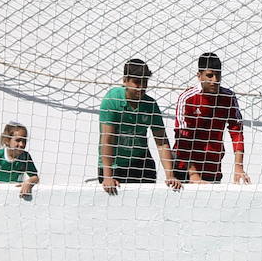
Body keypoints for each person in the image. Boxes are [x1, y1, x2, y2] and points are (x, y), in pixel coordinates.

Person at [97, 58, 182, 195]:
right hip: (114, 165)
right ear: (125, 81)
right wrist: (108, 176)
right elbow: (107, 140)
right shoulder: (112, 100)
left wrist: (170, 175)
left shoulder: (150, 105)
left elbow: (161, 142)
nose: (141, 87)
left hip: (141, 162)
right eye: (137, 82)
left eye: (145, 83)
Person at [173, 53, 250, 184]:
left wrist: (239, 166)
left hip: (212, 168)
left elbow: (237, 132)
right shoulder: (188, 98)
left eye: (218, 75)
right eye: (209, 75)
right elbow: (182, 137)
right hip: (185, 169)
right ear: (199, 76)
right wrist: (193, 174)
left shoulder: (228, 97)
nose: (214, 80)